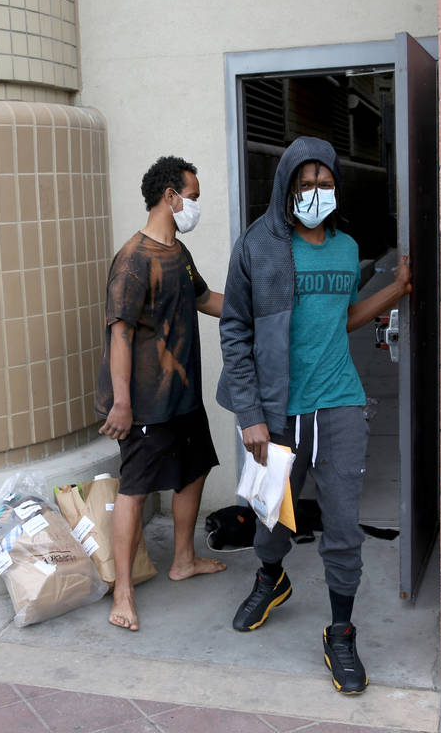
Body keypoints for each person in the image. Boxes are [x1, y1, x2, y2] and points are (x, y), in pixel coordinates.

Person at [217, 136, 412, 695]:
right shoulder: (259, 246)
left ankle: (342, 631)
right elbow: (235, 327)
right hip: (278, 412)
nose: (316, 193)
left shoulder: (347, 248)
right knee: (273, 521)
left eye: (325, 183)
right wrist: (251, 414)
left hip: (341, 403)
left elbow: (344, 316)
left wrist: (397, 288)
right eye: (305, 185)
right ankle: (270, 577)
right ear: (287, 188)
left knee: (343, 526)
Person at [96, 155, 227, 632]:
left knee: (193, 473)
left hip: (183, 396)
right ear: (170, 198)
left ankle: (184, 559)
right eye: (192, 197)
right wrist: (123, 403)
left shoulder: (178, 254)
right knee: (134, 490)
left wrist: (255, 312)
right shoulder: (133, 260)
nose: (195, 206)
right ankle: (124, 592)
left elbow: (204, 298)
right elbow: (120, 335)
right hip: (146, 403)